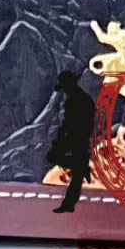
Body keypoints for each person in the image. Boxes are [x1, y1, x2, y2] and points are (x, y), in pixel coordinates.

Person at [46, 67, 97, 213]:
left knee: (74, 175)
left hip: (78, 138)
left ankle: (68, 204)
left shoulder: (78, 100)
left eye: (65, 87)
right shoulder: (82, 99)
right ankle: (81, 167)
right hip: (76, 138)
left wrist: (64, 137)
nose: (64, 91)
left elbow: (72, 123)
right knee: (54, 157)